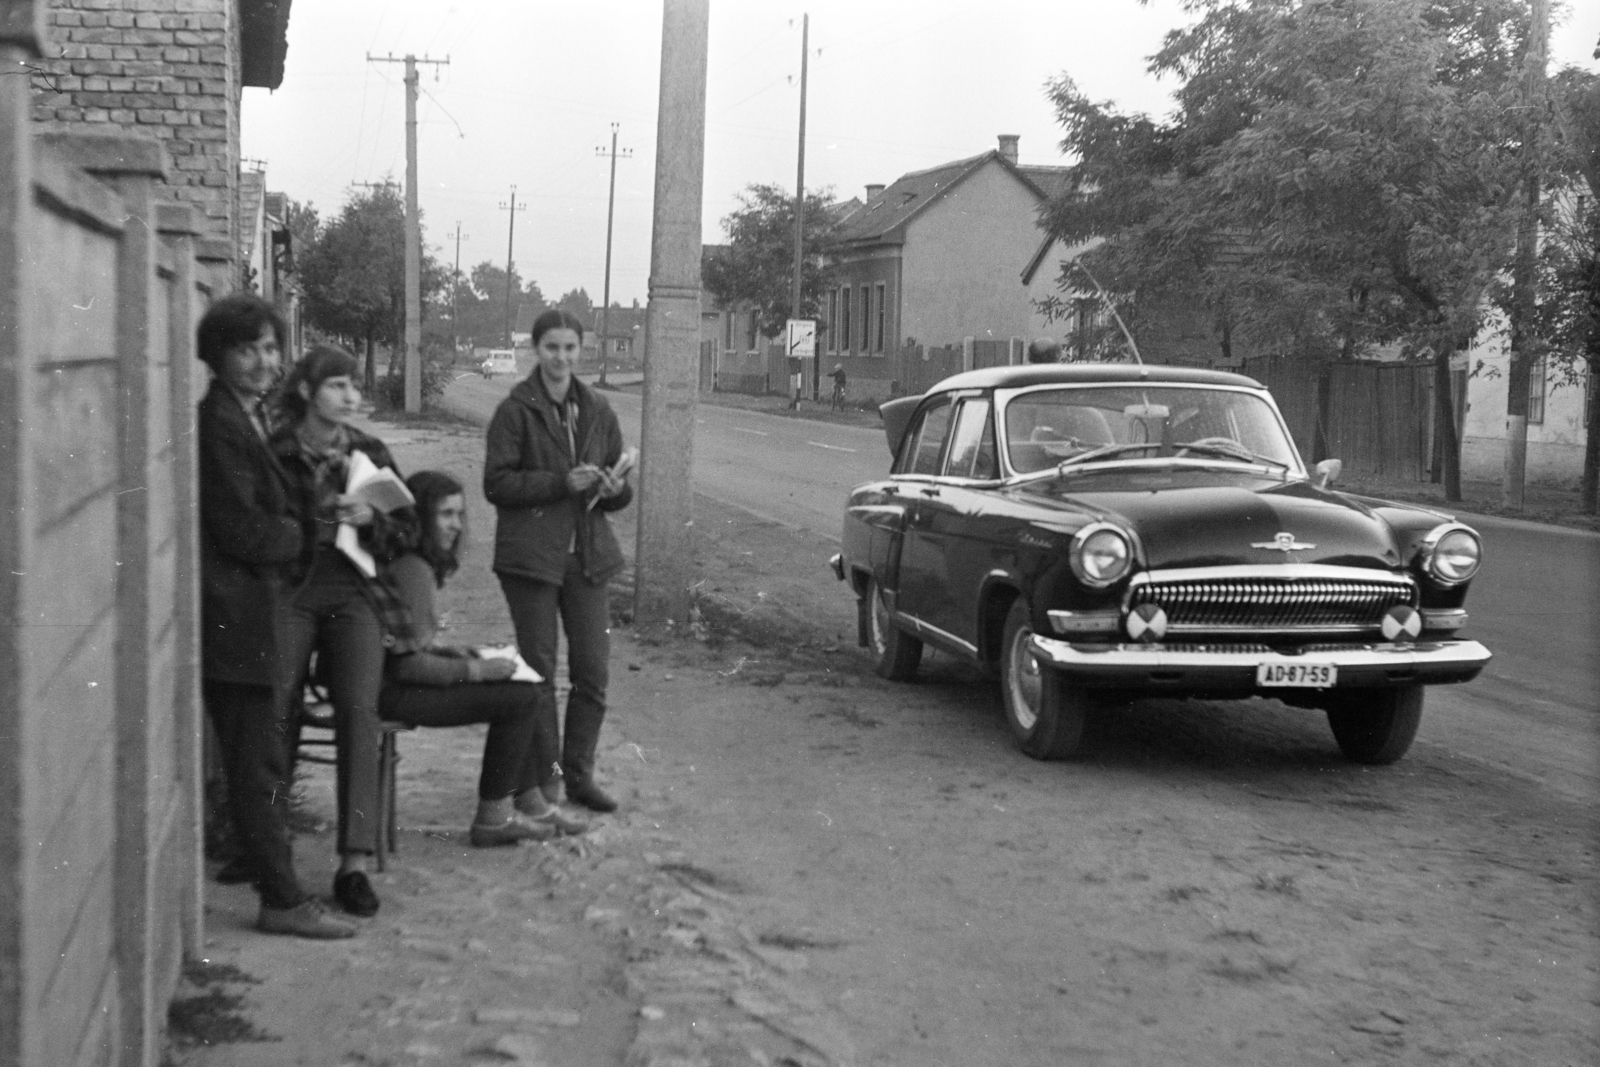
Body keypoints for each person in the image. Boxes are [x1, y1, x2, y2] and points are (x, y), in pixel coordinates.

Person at [197, 295, 354, 939]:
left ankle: (269, 877)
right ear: (218, 354)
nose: (264, 362)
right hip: (235, 613)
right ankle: (281, 899)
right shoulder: (220, 425)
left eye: (270, 348)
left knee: (257, 757)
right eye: (248, 349)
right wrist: (315, 528)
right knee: (258, 759)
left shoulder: (247, 416)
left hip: (253, 611)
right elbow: (244, 531)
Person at [270, 343, 420, 920]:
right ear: (308, 391)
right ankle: (268, 840)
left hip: (355, 593)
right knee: (276, 699)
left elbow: (408, 529)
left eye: (354, 387)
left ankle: (353, 862)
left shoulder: (368, 449)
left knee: (359, 708)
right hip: (292, 590)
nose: (350, 396)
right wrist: (320, 518)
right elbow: (257, 521)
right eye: (337, 385)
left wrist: (374, 520)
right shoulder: (277, 449)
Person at [378, 470, 587, 842]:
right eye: (445, 515)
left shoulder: (414, 562)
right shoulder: (413, 569)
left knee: (527, 686)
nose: (456, 525)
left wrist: (457, 653)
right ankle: (494, 817)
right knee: (520, 698)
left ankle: (530, 801)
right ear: (419, 517)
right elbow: (408, 664)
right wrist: (477, 669)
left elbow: (411, 647)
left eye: (460, 515)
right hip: (393, 693)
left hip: (394, 683)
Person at [484, 309, 634, 814]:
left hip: (586, 556)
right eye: (552, 347)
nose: (561, 358)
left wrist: (615, 489)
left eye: (570, 348)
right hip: (530, 558)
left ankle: (580, 776)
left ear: (582, 350)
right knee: (541, 672)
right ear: (535, 350)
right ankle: (547, 778)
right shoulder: (515, 410)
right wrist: (557, 482)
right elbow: (496, 483)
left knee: (592, 671)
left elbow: (618, 489)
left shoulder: (597, 408)